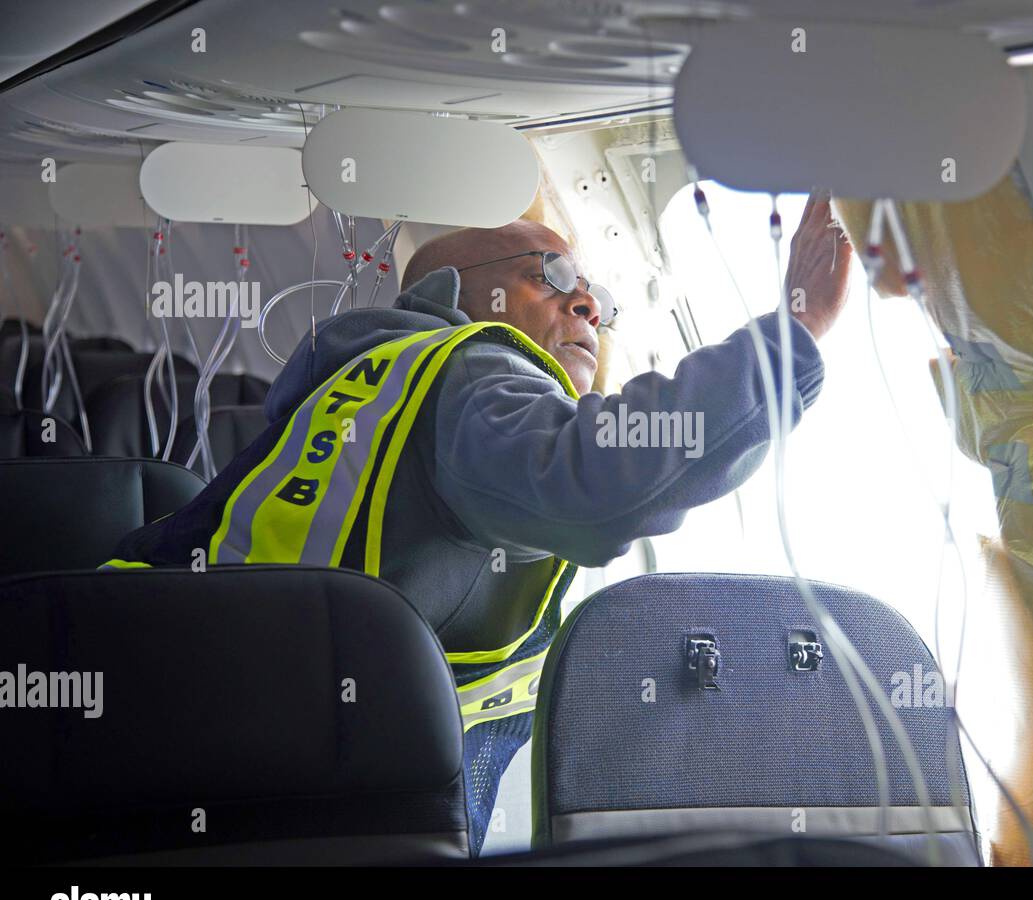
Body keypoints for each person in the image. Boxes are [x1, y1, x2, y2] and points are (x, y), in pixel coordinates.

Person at [106, 195, 854, 853]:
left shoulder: (377, 379)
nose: (588, 306)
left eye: (600, 298)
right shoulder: (467, 372)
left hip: (191, 727)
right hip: (315, 789)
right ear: (449, 293)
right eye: (553, 276)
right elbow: (592, 481)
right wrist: (796, 339)